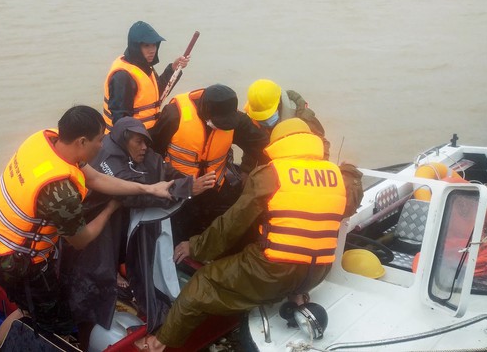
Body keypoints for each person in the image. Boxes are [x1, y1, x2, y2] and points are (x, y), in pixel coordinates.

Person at [139, 118, 364, 351]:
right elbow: (351, 200)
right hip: (317, 273)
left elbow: (232, 224)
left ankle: (159, 342)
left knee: (203, 283)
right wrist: (350, 170)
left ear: (280, 144)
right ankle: (295, 295)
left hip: (274, 273)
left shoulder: (271, 174)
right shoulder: (336, 175)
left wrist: (195, 247)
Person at [0, 105, 174, 352]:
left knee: (27, 309)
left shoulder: (45, 140)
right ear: (82, 141)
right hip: (17, 263)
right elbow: (81, 239)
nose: (102, 146)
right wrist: (110, 209)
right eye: (100, 140)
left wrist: (149, 188)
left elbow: (96, 179)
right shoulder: (60, 191)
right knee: (57, 325)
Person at [59, 116, 215, 350]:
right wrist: (185, 189)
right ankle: (82, 326)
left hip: (118, 222)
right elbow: (131, 192)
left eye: (146, 143)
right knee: (91, 274)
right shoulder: (109, 156)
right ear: (124, 139)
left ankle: (116, 276)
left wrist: (187, 183)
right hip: (92, 225)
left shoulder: (142, 153)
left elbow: (161, 168)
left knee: (117, 255)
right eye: (138, 142)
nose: (144, 148)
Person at [149, 83, 270, 242]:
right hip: (178, 191)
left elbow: (262, 145)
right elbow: (151, 155)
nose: (223, 127)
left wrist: (248, 171)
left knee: (232, 226)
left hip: (215, 189)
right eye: (220, 123)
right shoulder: (174, 116)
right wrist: (186, 186)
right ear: (206, 112)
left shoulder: (235, 120)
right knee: (176, 236)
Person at [103, 20, 190, 133]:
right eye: (146, 46)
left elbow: (157, 93)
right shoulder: (122, 77)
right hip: (130, 138)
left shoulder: (144, 66)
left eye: (154, 45)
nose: (152, 50)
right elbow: (120, 120)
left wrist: (173, 69)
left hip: (145, 133)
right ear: (135, 47)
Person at [244, 79, 331, 159]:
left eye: (268, 116)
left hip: (293, 165)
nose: (265, 121)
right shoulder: (248, 117)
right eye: (261, 118)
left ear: (279, 102)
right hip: (263, 166)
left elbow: (321, 144)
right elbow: (249, 153)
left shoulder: (302, 118)